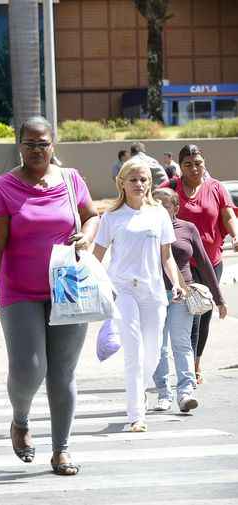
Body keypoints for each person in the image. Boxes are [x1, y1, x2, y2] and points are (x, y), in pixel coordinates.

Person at [0, 116, 99, 476]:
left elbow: (92, 216)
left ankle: (61, 449)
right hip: (19, 291)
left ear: (53, 145)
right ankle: (20, 419)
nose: (36, 150)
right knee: (30, 368)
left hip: (67, 287)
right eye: (29, 143)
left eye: (42, 143)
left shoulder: (70, 179)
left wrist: (88, 236)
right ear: (19, 146)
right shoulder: (4, 187)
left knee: (62, 373)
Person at [93, 158, 185, 433]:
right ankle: (136, 414)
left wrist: (176, 283)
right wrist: (99, 287)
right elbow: (96, 257)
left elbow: (166, 256)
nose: (139, 184)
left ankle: (139, 392)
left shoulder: (158, 215)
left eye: (144, 179)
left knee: (154, 353)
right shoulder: (110, 217)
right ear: (122, 182)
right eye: (133, 179)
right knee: (133, 351)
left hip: (154, 291)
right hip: (123, 291)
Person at [161, 144, 238, 383]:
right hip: (181, 263)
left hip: (210, 261)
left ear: (204, 163)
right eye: (188, 165)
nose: (194, 169)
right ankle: (186, 366)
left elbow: (228, 215)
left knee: (203, 315)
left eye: (198, 163)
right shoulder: (170, 188)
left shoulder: (216, 188)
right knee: (188, 315)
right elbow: (152, 208)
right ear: (180, 167)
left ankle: (195, 362)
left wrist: (235, 234)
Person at [151, 188, 226, 414]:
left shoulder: (187, 228)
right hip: (153, 296)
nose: (160, 209)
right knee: (159, 347)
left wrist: (219, 298)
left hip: (181, 294)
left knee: (181, 342)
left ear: (176, 207)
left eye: (165, 205)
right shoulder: (146, 229)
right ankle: (163, 393)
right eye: (155, 204)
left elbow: (204, 262)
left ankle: (185, 393)